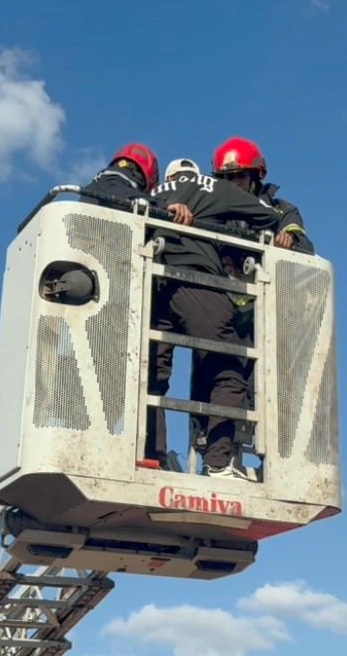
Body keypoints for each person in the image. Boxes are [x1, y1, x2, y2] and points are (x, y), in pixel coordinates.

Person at [145, 168, 282, 480]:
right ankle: (218, 464)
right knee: (230, 368)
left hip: (151, 287)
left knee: (151, 377)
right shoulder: (212, 187)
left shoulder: (151, 195)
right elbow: (266, 215)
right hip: (198, 282)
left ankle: (150, 457)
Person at [190, 137, 316, 435]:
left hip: (263, 313)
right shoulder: (210, 204)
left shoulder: (279, 209)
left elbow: (304, 245)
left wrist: (291, 240)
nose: (233, 183)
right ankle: (207, 442)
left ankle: (267, 444)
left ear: (257, 176)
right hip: (218, 305)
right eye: (226, 178)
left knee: (265, 388)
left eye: (240, 176)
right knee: (211, 379)